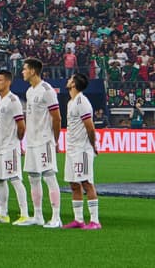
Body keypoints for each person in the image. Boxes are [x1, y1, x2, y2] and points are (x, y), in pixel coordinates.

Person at [20, 57, 63, 228]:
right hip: (31, 141)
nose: (22, 72)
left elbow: (57, 118)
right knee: (33, 177)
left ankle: (56, 217)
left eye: (24, 69)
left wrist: (55, 140)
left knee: (49, 176)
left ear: (32, 71)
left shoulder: (47, 90)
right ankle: (37, 215)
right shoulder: (30, 91)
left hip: (44, 140)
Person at [0, 68, 27, 224]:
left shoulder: (13, 100)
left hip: (10, 147)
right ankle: (2, 213)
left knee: (15, 179)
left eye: (0, 80)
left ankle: (24, 214)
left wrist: (17, 142)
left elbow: (21, 125)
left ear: (8, 82)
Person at [64, 73, 101, 229]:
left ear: (73, 83)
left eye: (70, 78)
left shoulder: (82, 102)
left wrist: (92, 145)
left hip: (82, 149)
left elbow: (90, 127)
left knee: (86, 182)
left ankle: (95, 221)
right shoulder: (71, 102)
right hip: (71, 149)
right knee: (74, 184)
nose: (68, 80)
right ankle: (78, 219)